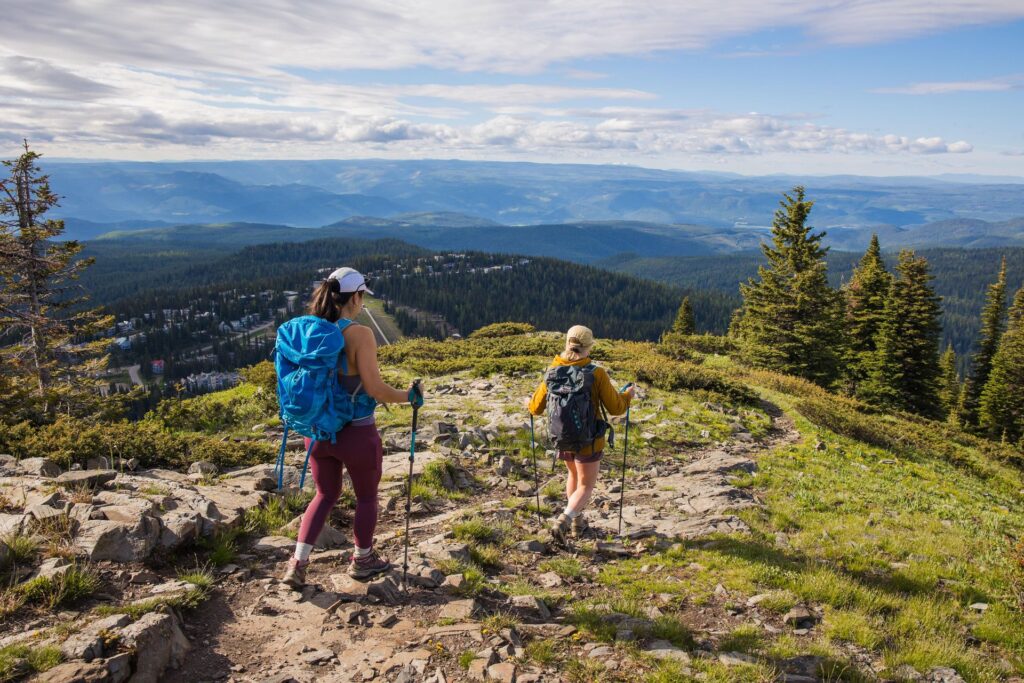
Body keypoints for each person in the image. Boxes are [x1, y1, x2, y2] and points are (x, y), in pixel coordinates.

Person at [283, 267, 423, 588]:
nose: (362, 304)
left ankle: (297, 563)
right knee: (366, 498)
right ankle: (363, 559)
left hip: (317, 432)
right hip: (357, 432)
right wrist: (409, 397)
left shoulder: (310, 331)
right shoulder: (359, 334)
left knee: (324, 495)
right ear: (356, 297)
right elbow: (375, 389)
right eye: (362, 297)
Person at [528, 325, 634, 540]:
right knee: (585, 486)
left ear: (567, 343)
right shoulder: (596, 373)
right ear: (589, 347)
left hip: (562, 438)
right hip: (589, 440)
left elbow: (534, 408)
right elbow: (616, 408)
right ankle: (564, 520)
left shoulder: (553, 370)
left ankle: (578, 524)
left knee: (573, 475)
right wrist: (628, 396)